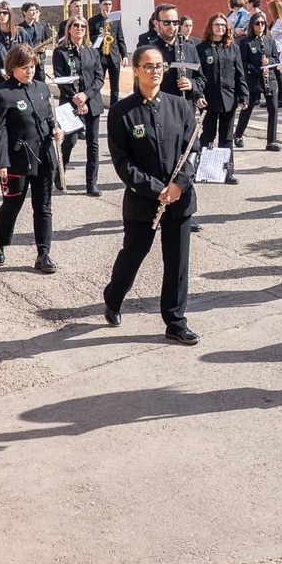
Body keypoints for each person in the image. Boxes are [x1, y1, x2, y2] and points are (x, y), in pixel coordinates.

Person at [102, 45, 202, 343]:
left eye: (159, 66)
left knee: (177, 263)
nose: (155, 71)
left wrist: (179, 185)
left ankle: (175, 321)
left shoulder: (180, 106)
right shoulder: (121, 112)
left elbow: (193, 150)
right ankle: (113, 297)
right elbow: (123, 163)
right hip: (143, 201)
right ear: (135, 70)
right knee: (134, 254)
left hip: (180, 199)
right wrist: (157, 190)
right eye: (148, 66)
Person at [0, 43, 61, 272]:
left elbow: (48, 118)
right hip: (16, 160)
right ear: (12, 67)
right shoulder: (1, 93)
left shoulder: (41, 88)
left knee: (44, 207)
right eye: (24, 67)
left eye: (32, 66)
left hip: (44, 157)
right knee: (12, 205)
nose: (29, 71)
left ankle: (43, 254)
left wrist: (55, 129)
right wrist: (0, 162)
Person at [53, 17, 104, 196]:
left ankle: (91, 183)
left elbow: (99, 78)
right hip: (70, 101)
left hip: (92, 101)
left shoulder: (93, 52)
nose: (80, 28)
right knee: (71, 140)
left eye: (83, 26)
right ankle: (60, 172)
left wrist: (86, 95)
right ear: (69, 29)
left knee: (93, 143)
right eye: (76, 25)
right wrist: (77, 98)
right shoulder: (60, 52)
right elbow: (60, 78)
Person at [197, 14, 247, 184]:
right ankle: (202, 170)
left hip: (229, 99)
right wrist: (198, 95)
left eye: (223, 25)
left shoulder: (233, 48)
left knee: (227, 137)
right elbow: (197, 75)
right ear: (210, 27)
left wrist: (244, 96)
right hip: (208, 99)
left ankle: (228, 172)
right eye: (217, 25)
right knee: (208, 135)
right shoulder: (201, 49)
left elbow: (240, 74)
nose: (220, 28)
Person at [235, 13, 281, 151]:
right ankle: (238, 135)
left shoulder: (270, 41)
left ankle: (271, 141)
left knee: (273, 109)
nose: (260, 25)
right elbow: (242, 62)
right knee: (247, 109)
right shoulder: (246, 42)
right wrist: (257, 70)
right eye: (257, 23)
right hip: (253, 80)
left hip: (269, 79)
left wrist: (269, 62)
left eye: (262, 23)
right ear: (252, 25)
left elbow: (276, 59)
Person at [89, 0, 125, 105]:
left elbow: (120, 38)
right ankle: (97, 105)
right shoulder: (93, 21)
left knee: (115, 86)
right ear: (100, 5)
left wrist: (124, 56)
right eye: (105, 4)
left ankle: (114, 107)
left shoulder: (115, 20)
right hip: (100, 57)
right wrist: (99, 36)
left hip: (114, 57)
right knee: (98, 83)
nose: (107, 7)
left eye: (109, 4)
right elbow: (88, 38)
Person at [17, 2, 53, 81]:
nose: (34, 12)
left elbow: (43, 41)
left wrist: (43, 48)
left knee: (40, 81)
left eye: (35, 10)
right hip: (25, 60)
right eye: (31, 10)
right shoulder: (19, 28)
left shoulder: (40, 27)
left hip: (39, 61)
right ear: (24, 12)